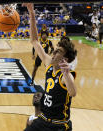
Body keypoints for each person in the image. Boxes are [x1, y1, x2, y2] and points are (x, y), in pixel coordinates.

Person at [23, 3, 77, 131]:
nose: (54, 52)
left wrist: (66, 74)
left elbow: (73, 92)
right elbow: (34, 41)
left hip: (59, 125)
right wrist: (31, 13)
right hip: (43, 120)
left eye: (58, 51)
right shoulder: (49, 64)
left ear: (66, 59)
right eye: (56, 49)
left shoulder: (66, 75)